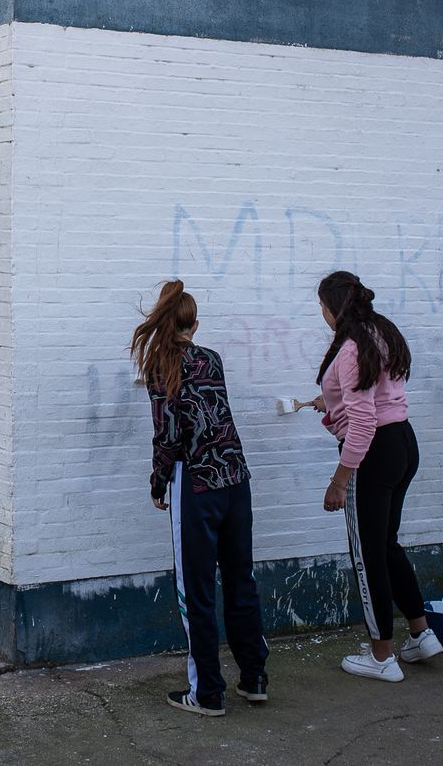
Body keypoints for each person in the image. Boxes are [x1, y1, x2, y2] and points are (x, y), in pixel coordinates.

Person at [133, 280, 269, 717]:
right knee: (240, 580)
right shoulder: (212, 358)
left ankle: (207, 693)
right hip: (236, 480)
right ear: (194, 324)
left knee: (196, 592)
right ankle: (255, 678)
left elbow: (168, 436)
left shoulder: (161, 364)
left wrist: (158, 484)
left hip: (196, 487)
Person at [306, 271, 442, 682]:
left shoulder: (351, 347)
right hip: (402, 442)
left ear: (334, 306)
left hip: (374, 453)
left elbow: (363, 423)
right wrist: (329, 403)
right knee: (385, 546)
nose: (322, 314)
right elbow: (372, 398)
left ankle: (382, 656)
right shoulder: (380, 332)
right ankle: (421, 634)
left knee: (367, 556)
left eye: (322, 306)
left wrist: (340, 480)